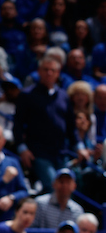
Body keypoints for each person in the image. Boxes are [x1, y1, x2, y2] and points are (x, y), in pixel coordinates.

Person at [14, 56, 75, 192]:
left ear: (58, 73)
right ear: (39, 71)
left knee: (68, 189)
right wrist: (22, 148)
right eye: (45, 69)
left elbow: (71, 126)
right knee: (53, 187)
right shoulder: (27, 95)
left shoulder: (64, 96)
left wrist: (79, 146)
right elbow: (17, 124)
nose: (49, 73)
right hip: (39, 152)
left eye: (53, 70)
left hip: (61, 152)